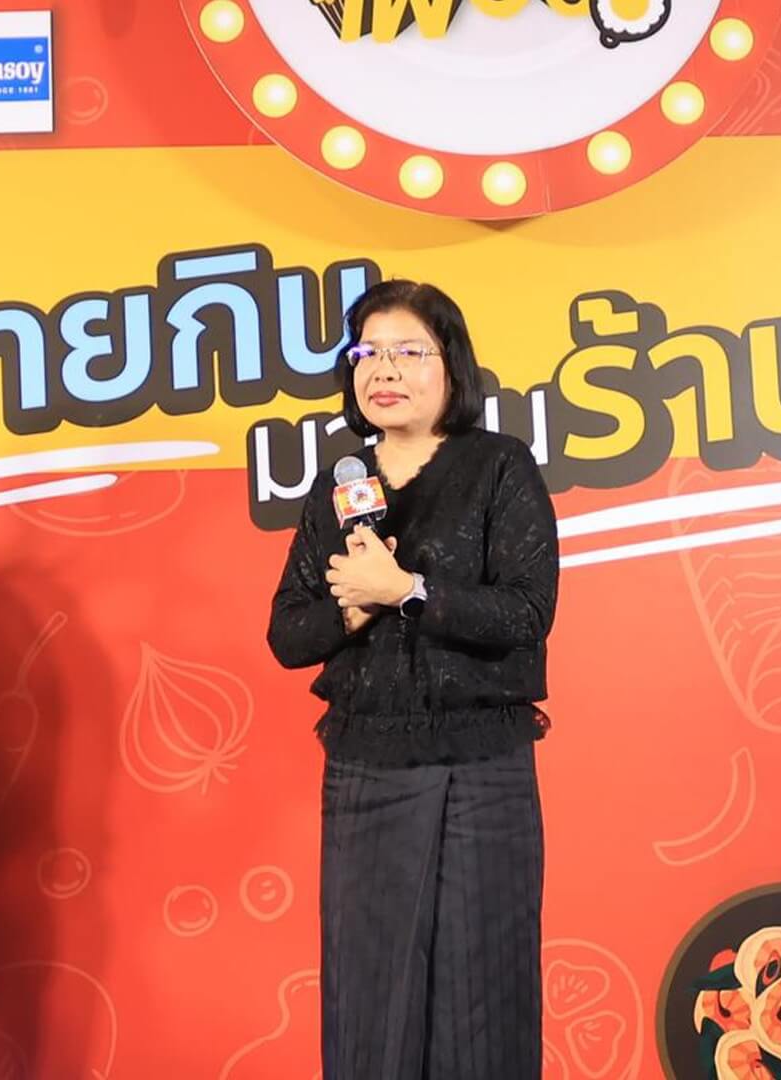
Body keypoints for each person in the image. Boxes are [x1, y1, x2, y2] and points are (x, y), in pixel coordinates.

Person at [267, 279, 559, 1078]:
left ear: (451, 367)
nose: (383, 369)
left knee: (483, 991)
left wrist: (408, 590)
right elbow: (289, 634)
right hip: (368, 762)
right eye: (367, 352)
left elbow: (527, 612)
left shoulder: (499, 467)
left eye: (407, 351)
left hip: (483, 761)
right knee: (370, 996)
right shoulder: (340, 487)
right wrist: (357, 607)